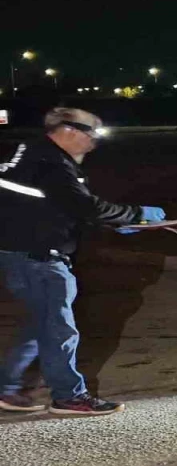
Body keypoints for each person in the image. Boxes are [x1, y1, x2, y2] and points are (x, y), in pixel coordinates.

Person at [0, 108, 165, 416]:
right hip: (40, 258)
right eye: (93, 134)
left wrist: (115, 223)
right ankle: (68, 396)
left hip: (20, 253)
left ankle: (7, 389)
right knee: (59, 329)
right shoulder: (51, 163)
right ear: (68, 130)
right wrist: (138, 214)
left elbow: (55, 207)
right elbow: (84, 205)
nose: (94, 142)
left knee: (43, 324)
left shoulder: (29, 155)